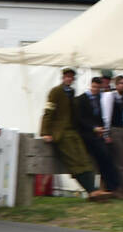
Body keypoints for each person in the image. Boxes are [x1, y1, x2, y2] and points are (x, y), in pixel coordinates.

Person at [39, 69, 102, 198]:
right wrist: (45, 132)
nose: (69, 79)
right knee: (75, 162)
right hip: (62, 133)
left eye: (71, 77)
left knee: (84, 159)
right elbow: (48, 111)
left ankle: (93, 189)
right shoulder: (56, 91)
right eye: (67, 77)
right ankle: (91, 190)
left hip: (73, 132)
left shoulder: (71, 93)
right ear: (63, 78)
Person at [74, 76, 123, 196]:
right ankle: (107, 187)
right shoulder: (81, 99)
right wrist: (93, 128)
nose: (96, 89)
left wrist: (103, 132)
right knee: (100, 157)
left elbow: (101, 117)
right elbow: (80, 119)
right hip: (86, 134)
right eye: (94, 87)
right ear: (91, 85)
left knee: (106, 158)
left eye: (98, 87)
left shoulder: (99, 99)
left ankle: (112, 187)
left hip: (97, 134)